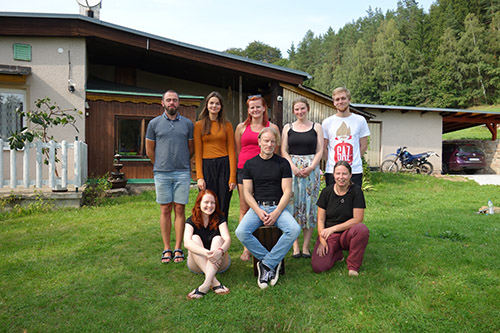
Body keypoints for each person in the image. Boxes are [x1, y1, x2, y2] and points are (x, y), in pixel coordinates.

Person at [235, 127, 301, 289]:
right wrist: (258, 211)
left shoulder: (282, 163)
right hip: (258, 208)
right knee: (241, 232)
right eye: (266, 141)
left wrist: (277, 211)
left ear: (276, 143)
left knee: (294, 229)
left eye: (272, 141)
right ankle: (270, 261)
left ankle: (266, 265)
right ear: (259, 142)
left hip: (278, 207)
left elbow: (287, 191)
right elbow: (247, 193)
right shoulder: (250, 165)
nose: (269, 144)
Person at [146, 90, 194, 264]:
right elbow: (150, 150)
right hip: (161, 173)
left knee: (180, 209)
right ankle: (167, 248)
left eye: (175, 100)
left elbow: (191, 149)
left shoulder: (188, 124)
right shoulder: (154, 124)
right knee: (165, 209)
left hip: (182, 172)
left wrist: (180, 162)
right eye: (169, 100)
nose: (172, 103)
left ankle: (178, 247)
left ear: (179, 103)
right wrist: (160, 164)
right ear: (163, 103)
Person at [234, 95, 279, 261]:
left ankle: (266, 241)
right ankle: (247, 248)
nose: (255, 110)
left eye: (258, 107)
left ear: (264, 108)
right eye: (252, 107)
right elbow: (238, 150)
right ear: (248, 110)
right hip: (244, 172)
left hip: (266, 172)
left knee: (263, 206)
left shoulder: (271, 126)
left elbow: (276, 149)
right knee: (245, 208)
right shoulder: (240, 127)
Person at [281, 97, 323, 259]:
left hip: (311, 170)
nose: (300, 112)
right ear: (293, 111)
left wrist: (312, 167)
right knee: (292, 204)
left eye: (302, 109)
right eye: (297, 109)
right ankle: (295, 246)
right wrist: (293, 167)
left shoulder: (316, 127)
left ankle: (306, 247)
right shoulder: (288, 128)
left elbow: (320, 149)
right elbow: (284, 150)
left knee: (309, 205)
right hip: (292, 169)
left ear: (308, 109)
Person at [311, 160, 369, 276]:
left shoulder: (356, 191)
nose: (341, 177)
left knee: (361, 230)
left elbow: (358, 219)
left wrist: (333, 228)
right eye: (338, 174)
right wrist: (322, 240)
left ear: (350, 175)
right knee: (319, 267)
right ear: (333, 175)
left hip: (348, 233)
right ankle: (336, 253)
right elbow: (321, 219)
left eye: (344, 174)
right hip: (329, 235)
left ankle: (353, 266)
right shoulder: (326, 192)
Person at [194, 91, 237, 219]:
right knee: (207, 202)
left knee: (223, 204)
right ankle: (208, 235)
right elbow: (198, 152)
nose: (214, 106)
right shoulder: (199, 125)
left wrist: (232, 177)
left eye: (217, 104)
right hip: (207, 166)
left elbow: (232, 152)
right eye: (211, 103)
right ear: (206, 105)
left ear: (221, 106)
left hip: (224, 166)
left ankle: (222, 235)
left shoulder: (227, 125)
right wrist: (199, 177)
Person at [184, 190, 231, 299]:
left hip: (219, 263)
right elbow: (186, 242)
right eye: (206, 202)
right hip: (197, 264)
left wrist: (220, 251)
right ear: (199, 203)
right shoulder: (191, 220)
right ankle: (214, 282)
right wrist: (206, 253)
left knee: (218, 239)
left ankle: (204, 286)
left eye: (212, 203)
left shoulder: (220, 218)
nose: (209, 206)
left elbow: (227, 239)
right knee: (194, 239)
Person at [322, 87, 370, 188]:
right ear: (334, 102)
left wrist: (354, 160)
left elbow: (363, 146)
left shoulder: (360, 120)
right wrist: (331, 162)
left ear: (349, 100)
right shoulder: (327, 122)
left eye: (343, 98)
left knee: (354, 201)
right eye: (337, 99)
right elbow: (323, 147)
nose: (340, 101)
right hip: (332, 171)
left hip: (354, 170)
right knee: (333, 202)